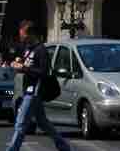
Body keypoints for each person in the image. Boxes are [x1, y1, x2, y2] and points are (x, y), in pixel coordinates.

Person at [4, 21, 71, 151]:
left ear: (30, 34)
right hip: (28, 89)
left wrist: (23, 68)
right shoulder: (27, 49)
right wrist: (18, 63)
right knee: (43, 123)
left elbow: (43, 72)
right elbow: (26, 64)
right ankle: (63, 146)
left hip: (35, 91)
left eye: (23, 35)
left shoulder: (41, 50)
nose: (21, 38)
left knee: (20, 123)